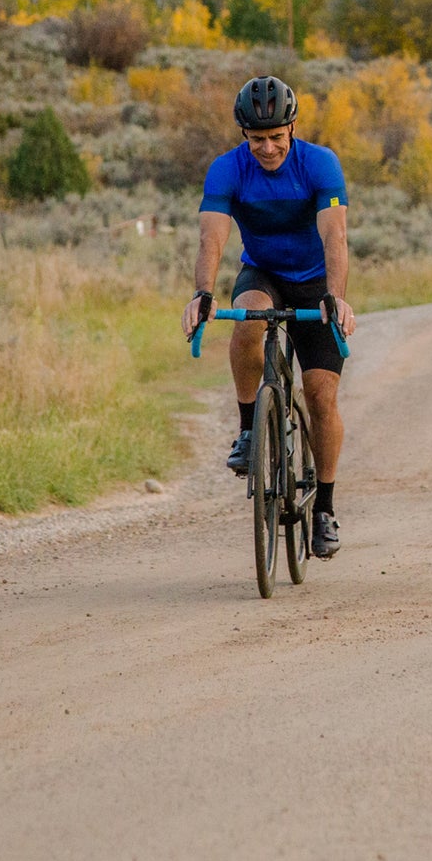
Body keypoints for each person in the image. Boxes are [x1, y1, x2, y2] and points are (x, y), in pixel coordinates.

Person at [181, 75, 357, 558]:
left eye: (277, 138)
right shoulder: (227, 169)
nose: (268, 148)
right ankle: (247, 431)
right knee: (249, 318)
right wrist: (202, 293)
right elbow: (211, 238)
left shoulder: (319, 163)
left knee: (321, 395)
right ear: (243, 134)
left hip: (316, 280)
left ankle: (324, 506)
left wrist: (336, 298)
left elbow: (335, 237)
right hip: (263, 273)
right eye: (257, 139)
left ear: (292, 128)